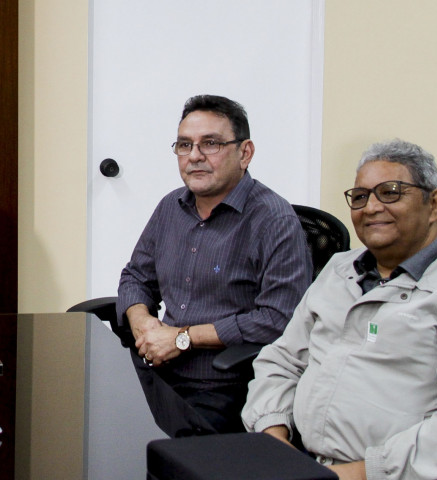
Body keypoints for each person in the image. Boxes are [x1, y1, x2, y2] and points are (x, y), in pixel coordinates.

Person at [242, 139, 437, 480]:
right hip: (299, 462)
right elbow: (281, 361)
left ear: (434, 204)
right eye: (360, 196)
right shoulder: (340, 271)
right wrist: (273, 435)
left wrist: (353, 474)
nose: (371, 207)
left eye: (391, 192)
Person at [117, 94, 312, 437]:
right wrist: (143, 323)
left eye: (211, 144)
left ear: (245, 153)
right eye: (184, 145)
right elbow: (136, 276)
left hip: (226, 384)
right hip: (160, 371)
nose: (194, 156)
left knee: (167, 459)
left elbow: (278, 319)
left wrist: (181, 338)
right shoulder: (170, 207)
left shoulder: (274, 219)